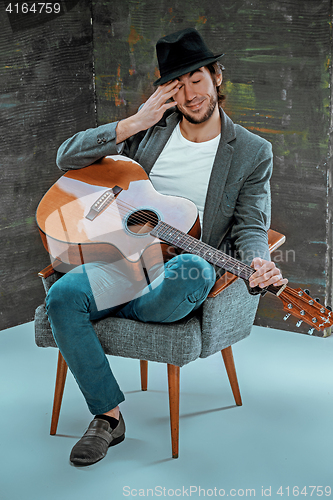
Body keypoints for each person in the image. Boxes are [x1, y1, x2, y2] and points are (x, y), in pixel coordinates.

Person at [46, 27, 287, 466]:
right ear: (166, 93)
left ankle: (121, 307)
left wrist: (258, 262)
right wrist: (133, 122)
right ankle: (108, 416)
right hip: (122, 261)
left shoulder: (253, 152)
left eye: (197, 78)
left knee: (190, 271)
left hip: (181, 272)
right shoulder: (148, 133)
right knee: (61, 296)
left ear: (217, 77)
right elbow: (66, 157)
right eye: (177, 85)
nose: (191, 94)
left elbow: (252, 225)